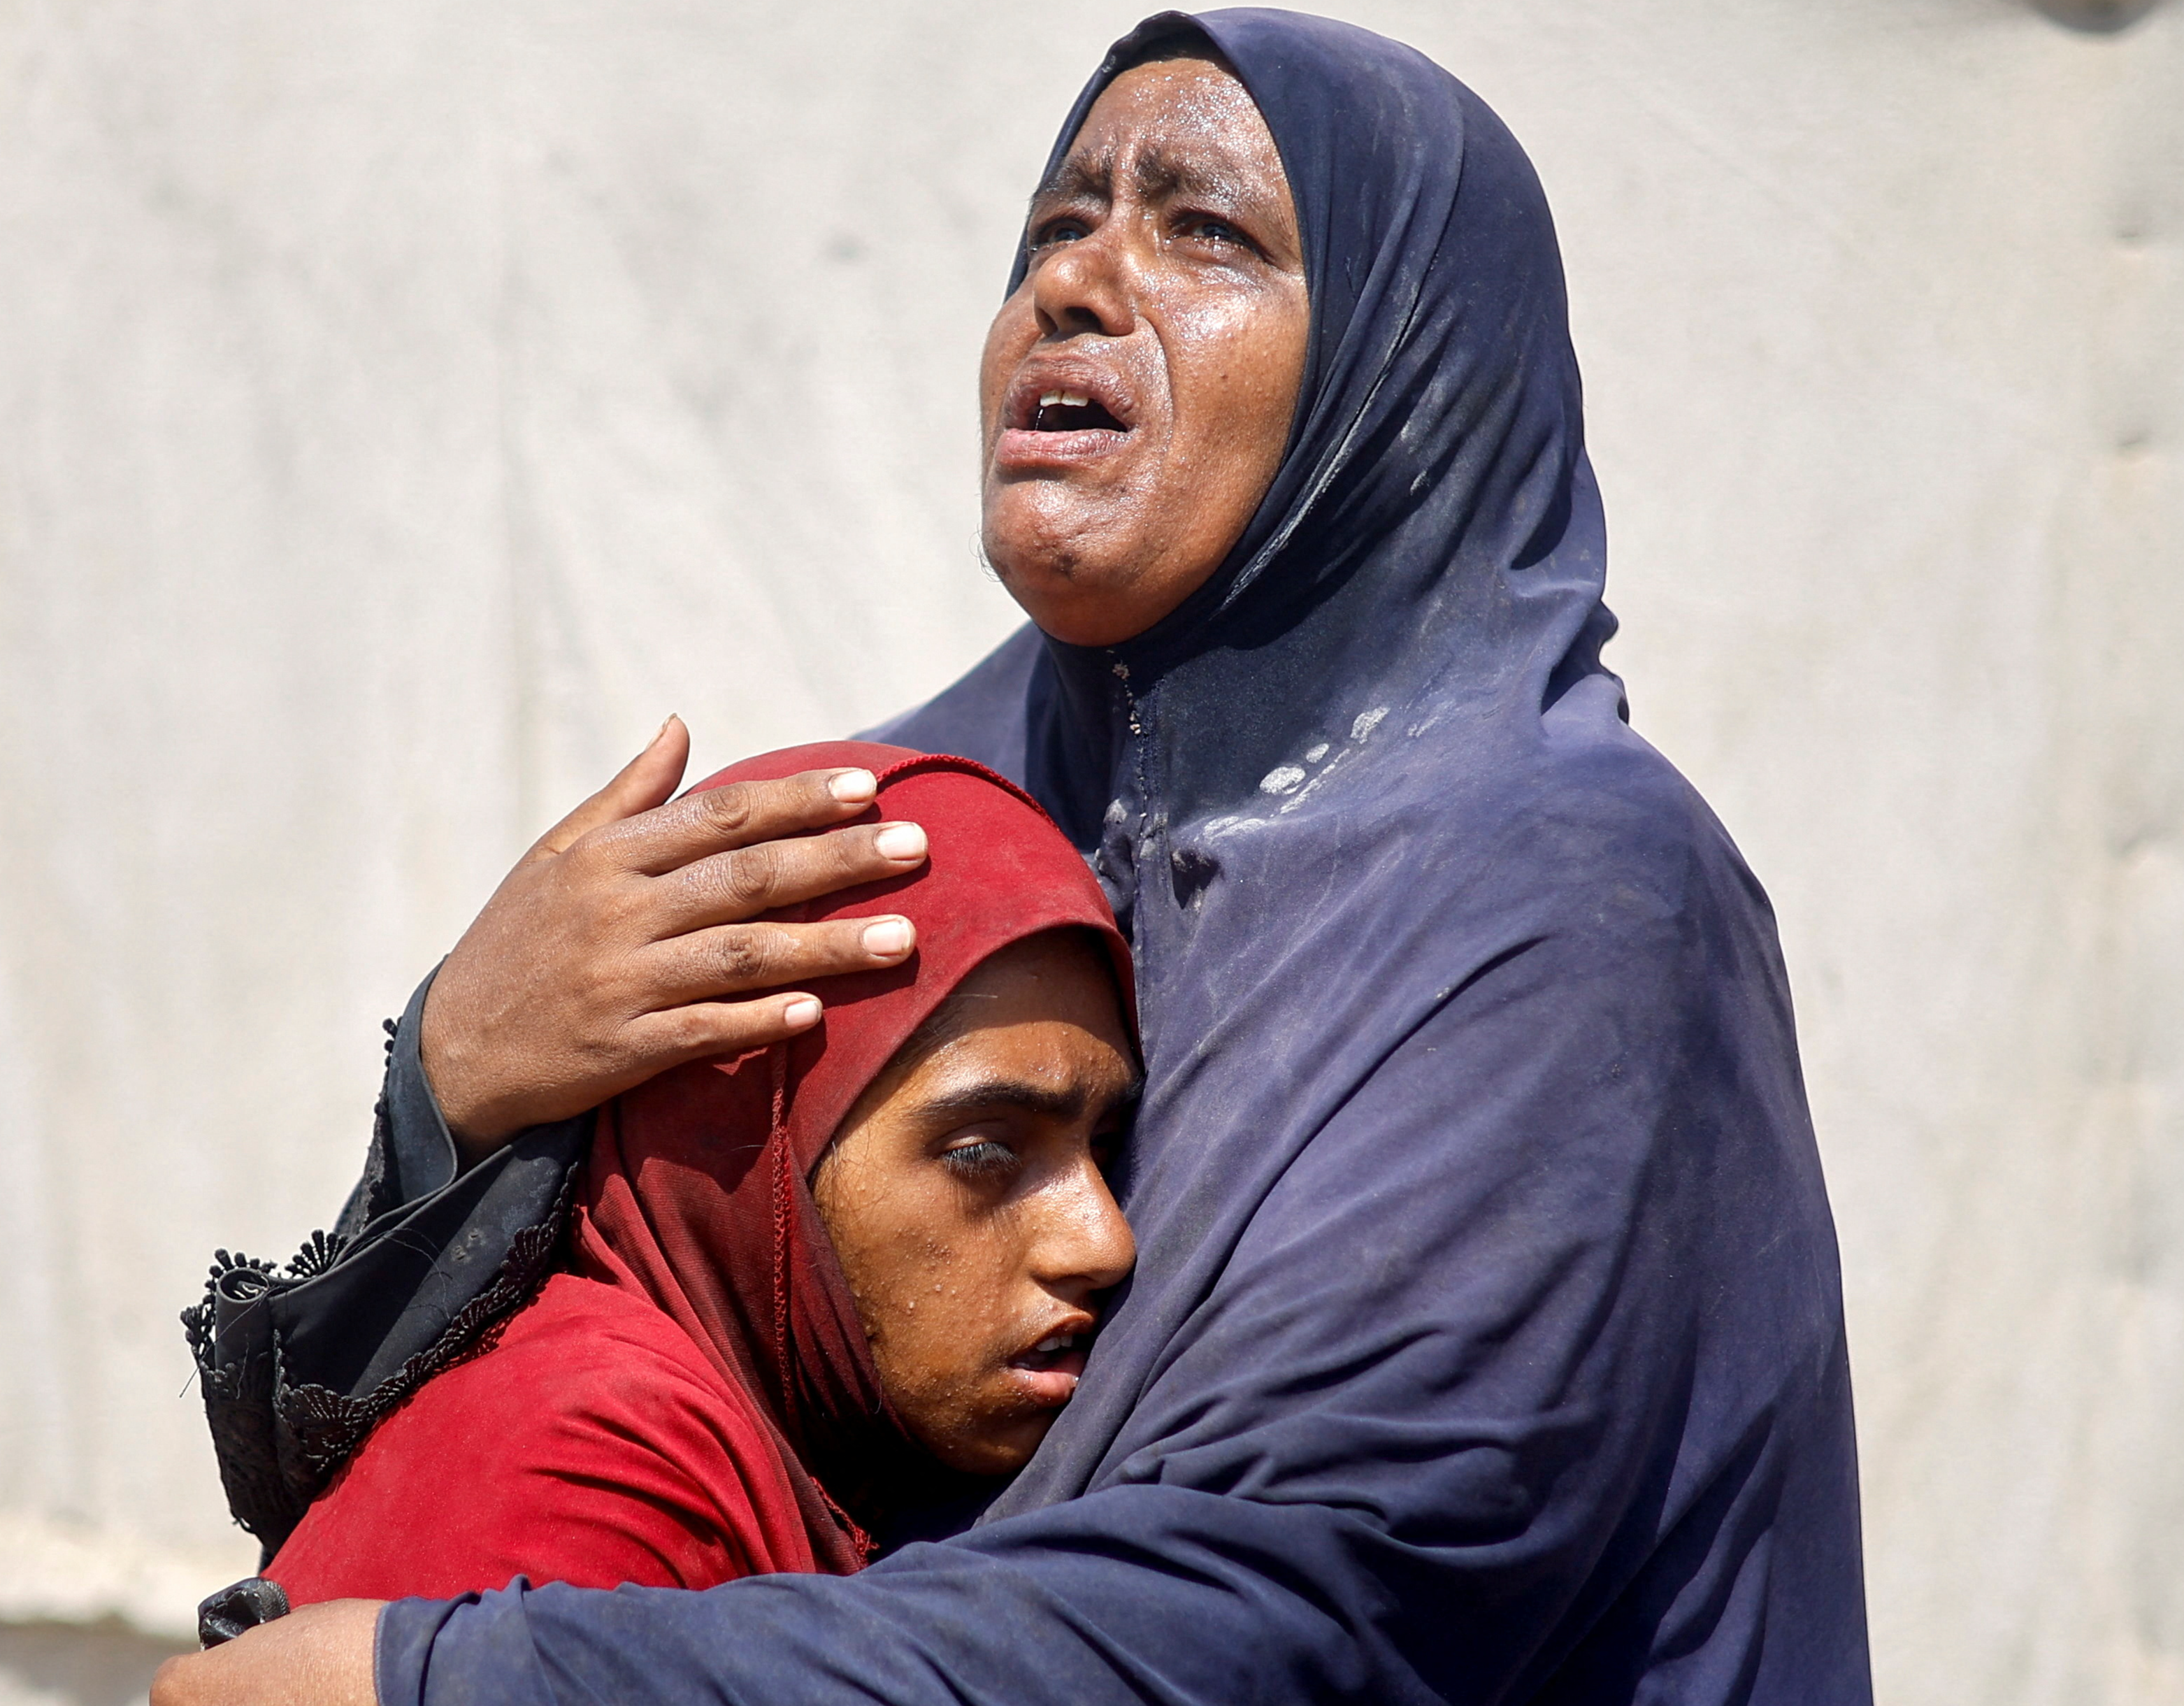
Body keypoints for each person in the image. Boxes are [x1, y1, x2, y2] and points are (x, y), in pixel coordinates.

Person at [161, 9, 1869, 1703]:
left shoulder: (1554, 901)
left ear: (1400, 373)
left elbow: (1308, 1607)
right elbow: (611, 1368)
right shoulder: (926, 822)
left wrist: (460, 1682)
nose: (1079, 279)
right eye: (1054, 225)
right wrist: (464, 1094)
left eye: (1202, 230)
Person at [244, 745, 1137, 1607]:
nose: (1104, 1240)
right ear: (748, 1156)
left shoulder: (814, 1454)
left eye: (1107, 1145)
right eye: (984, 1153)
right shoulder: (592, 1476)